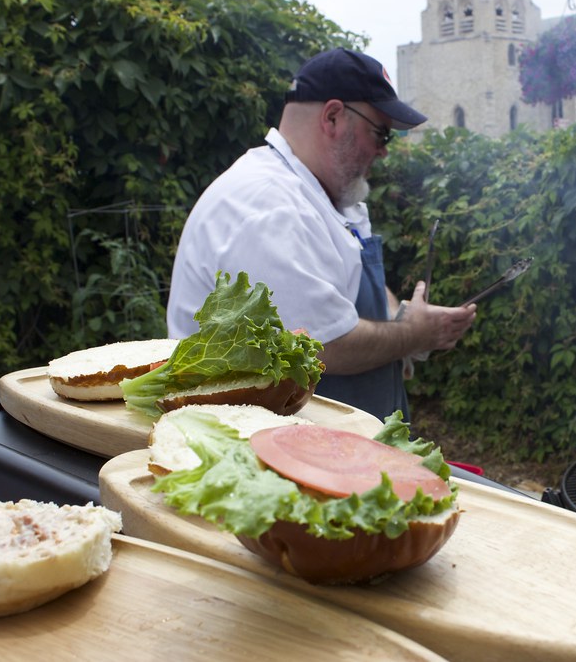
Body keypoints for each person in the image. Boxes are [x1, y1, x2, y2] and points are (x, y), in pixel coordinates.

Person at [165, 48, 477, 421]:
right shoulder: (267, 206)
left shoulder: (324, 198)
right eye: (380, 134)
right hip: (261, 451)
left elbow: (355, 280)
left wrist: (405, 315)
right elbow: (324, 345)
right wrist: (414, 334)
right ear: (332, 117)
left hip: (333, 447)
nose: (383, 153)